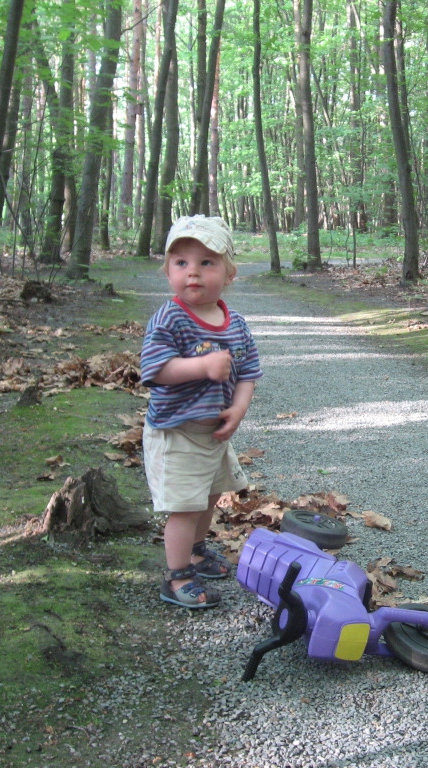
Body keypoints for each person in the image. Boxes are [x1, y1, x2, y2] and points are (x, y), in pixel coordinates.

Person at [141, 215, 262, 608]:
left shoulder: (236, 324)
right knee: (184, 508)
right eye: (181, 263)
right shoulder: (170, 318)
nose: (192, 272)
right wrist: (202, 367)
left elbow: (248, 372)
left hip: (213, 434)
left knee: (209, 498)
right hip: (177, 432)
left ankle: (195, 552)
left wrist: (238, 409)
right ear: (168, 272)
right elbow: (155, 370)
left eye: (206, 262)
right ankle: (176, 577)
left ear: (229, 273)